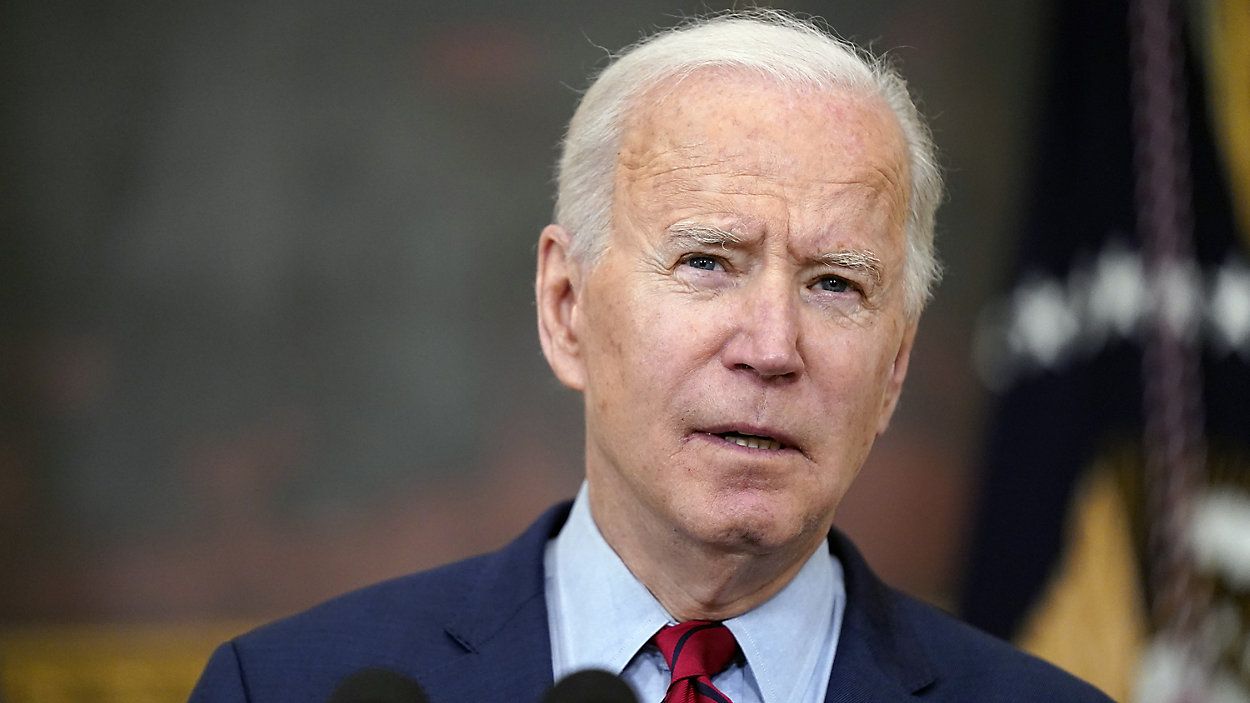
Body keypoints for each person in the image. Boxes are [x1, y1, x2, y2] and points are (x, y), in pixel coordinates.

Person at [190, 11, 1112, 702]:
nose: (771, 347)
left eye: (835, 283)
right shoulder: (283, 688)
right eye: (707, 262)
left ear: (896, 365)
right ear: (566, 308)